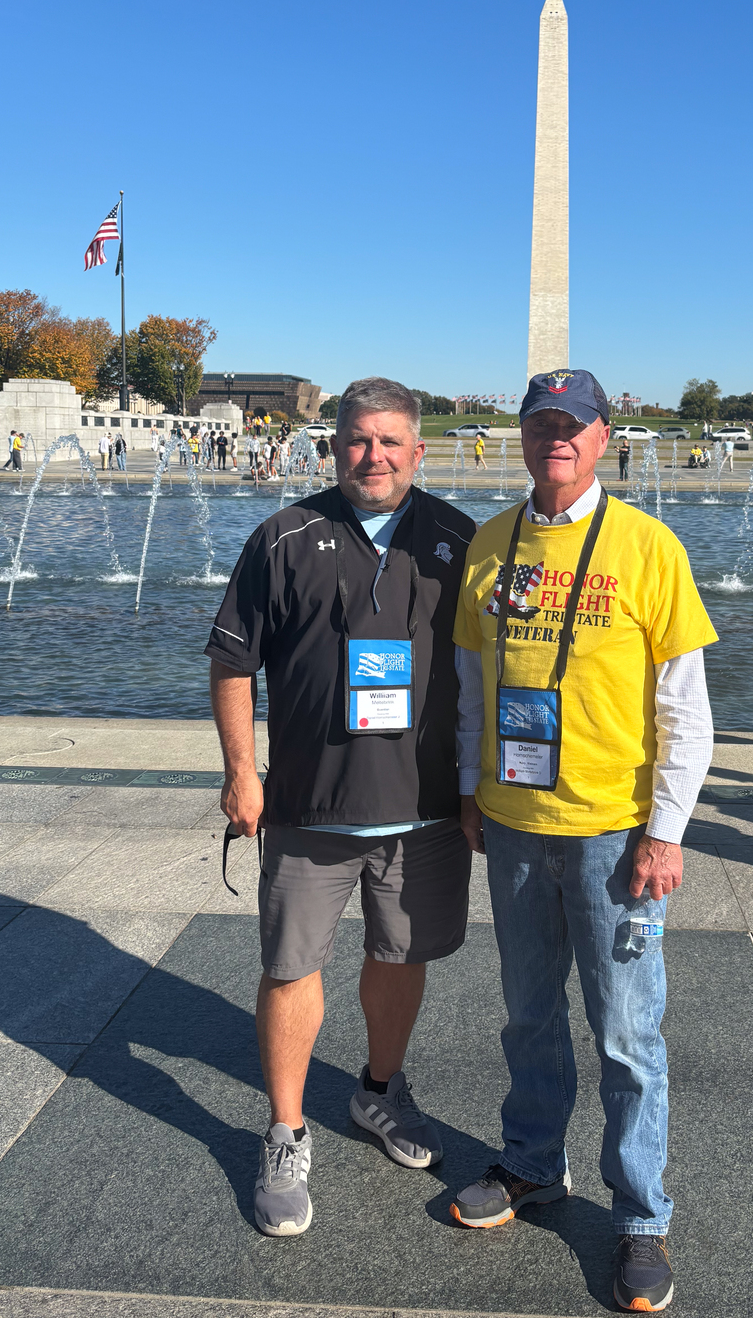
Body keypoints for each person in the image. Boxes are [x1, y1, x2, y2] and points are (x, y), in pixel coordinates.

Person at [449, 368, 717, 1314]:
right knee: (527, 1013)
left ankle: (642, 1216)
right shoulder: (490, 544)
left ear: (605, 437)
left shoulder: (648, 547)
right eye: (541, 424)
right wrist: (468, 790)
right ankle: (532, 1163)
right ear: (521, 438)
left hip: (614, 832)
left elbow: (686, 712)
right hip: (515, 822)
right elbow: (472, 689)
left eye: (574, 424)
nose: (555, 437)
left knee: (627, 1032)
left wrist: (665, 833)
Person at [207, 376, 477, 1238]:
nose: (375, 456)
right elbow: (232, 663)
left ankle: (377, 1093)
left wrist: (482, 789)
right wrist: (242, 771)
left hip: (425, 805)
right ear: (333, 447)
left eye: (392, 441)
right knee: (291, 967)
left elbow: (490, 672)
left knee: (402, 956)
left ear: (419, 450)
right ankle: (284, 1131)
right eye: (359, 440)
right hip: (310, 801)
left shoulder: (459, 539)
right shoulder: (283, 535)